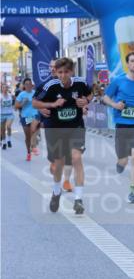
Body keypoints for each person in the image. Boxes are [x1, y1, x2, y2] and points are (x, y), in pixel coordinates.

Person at [32, 57, 90, 214]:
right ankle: (56, 191)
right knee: (59, 163)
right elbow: (35, 103)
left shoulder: (80, 83)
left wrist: (85, 101)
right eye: (60, 72)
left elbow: (90, 94)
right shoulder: (50, 86)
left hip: (75, 127)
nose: (63, 75)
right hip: (55, 128)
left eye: (66, 72)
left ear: (72, 71)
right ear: (55, 73)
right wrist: (52, 104)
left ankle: (78, 199)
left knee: (76, 158)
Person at [102, 52, 134, 204]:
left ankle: (132, 191)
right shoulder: (118, 80)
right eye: (132, 61)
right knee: (123, 160)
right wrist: (115, 105)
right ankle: (120, 164)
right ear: (127, 64)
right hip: (122, 124)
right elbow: (105, 97)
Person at [15, 78, 40, 160]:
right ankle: (28, 153)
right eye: (26, 84)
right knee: (28, 137)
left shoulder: (35, 93)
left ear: (32, 85)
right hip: (25, 117)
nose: (28, 85)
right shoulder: (21, 94)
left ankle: (34, 147)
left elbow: (40, 103)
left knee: (34, 132)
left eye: (30, 84)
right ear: (24, 86)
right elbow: (16, 106)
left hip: (35, 116)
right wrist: (23, 103)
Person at [1, 84, 14, 149]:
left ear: (7, 88)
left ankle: (9, 140)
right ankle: (4, 143)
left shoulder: (10, 95)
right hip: (1, 115)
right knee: (2, 130)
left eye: (6, 87)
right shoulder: (0, 96)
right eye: (3, 88)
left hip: (10, 114)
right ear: (2, 89)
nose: (5, 89)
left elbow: (15, 102)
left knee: (8, 126)